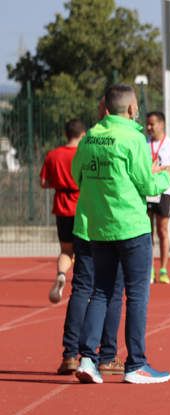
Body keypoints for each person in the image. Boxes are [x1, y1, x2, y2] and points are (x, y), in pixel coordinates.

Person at [71, 83, 170, 384]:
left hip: (99, 226)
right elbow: (148, 185)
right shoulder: (134, 138)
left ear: (106, 107)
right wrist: (167, 175)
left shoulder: (91, 137)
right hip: (131, 226)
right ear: (132, 109)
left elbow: (77, 175)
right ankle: (136, 363)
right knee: (137, 294)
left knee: (100, 291)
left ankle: (88, 358)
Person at [45, 116, 125, 376]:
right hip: (89, 213)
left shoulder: (55, 154)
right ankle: (107, 354)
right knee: (109, 288)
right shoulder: (92, 148)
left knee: (70, 260)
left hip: (63, 211)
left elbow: (44, 182)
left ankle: (69, 354)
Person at [41, 119, 84, 303]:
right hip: (82, 206)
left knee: (66, 250)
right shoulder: (83, 154)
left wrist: (59, 182)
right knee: (86, 251)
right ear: (82, 135)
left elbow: (44, 182)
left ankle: (61, 274)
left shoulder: (53, 155)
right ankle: (84, 287)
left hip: (62, 206)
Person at [145, 111, 170, 283]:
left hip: (164, 191)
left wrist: (163, 169)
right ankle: (149, 269)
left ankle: (163, 269)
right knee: (147, 232)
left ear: (161, 124)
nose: (149, 127)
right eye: (147, 124)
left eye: (152, 124)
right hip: (146, 191)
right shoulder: (143, 143)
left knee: (163, 230)